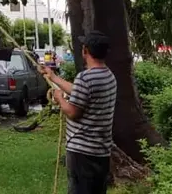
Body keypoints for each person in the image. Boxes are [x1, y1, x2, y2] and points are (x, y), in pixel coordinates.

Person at [40, 31, 117, 194]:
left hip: (82, 152)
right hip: (101, 151)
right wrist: (53, 77)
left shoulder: (85, 78)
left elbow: (73, 112)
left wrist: (60, 99)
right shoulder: (109, 76)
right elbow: (79, 91)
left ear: (86, 51)